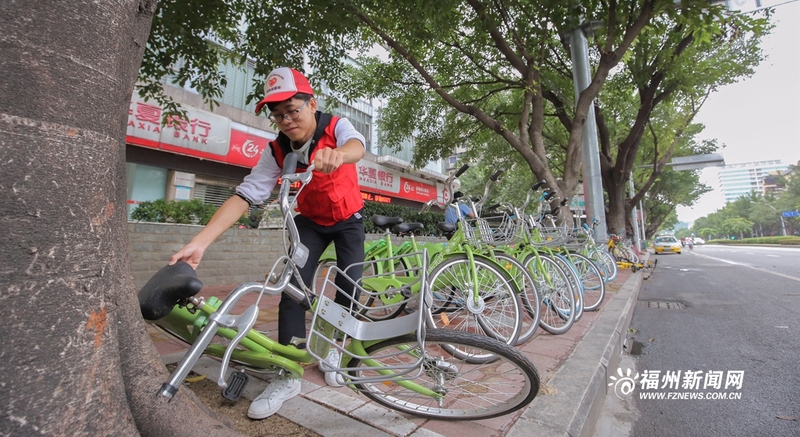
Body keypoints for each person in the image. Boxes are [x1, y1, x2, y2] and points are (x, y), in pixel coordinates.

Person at [169, 67, 366, 420]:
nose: (287, 120)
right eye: (278, 115)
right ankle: (287, 372)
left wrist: (340, 155)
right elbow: (247, 194)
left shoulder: (335, 126)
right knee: (291, 288)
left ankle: (333, 349)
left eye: (294, 110)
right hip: (309, 223)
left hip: (349, 220)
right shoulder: (275, 150)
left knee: (350, 286)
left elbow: (357, 146)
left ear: (311, 103)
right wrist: (200, 242)